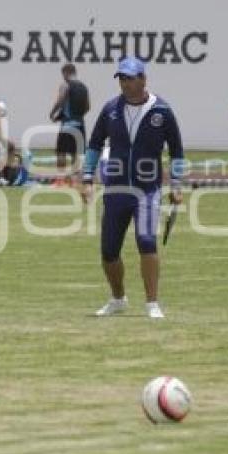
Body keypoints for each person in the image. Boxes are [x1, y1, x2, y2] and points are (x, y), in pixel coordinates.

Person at [81, 56, 184, 319]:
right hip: (116, 190)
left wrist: (176, 184)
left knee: (146, 241)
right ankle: (118, 299)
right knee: (108, 251)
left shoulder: (162, 111)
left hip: (147, 189)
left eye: (129, 78)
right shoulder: (110, 109)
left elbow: (177, 152)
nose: (125, 84)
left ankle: (152, 303)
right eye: (122, 78)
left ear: (143, 79)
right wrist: (86, 178)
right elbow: (94, 145)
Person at [49, 63, 90, 186]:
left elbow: (61, 99)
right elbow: (88, 107)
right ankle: (75, 181)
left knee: (61, 152)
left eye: (63, 74)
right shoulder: (84, 87)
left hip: (68, 125)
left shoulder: (66, 85)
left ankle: (60, 181)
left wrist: (53, 113)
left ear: (66, 73)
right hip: (80, 125)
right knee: (75, 154)